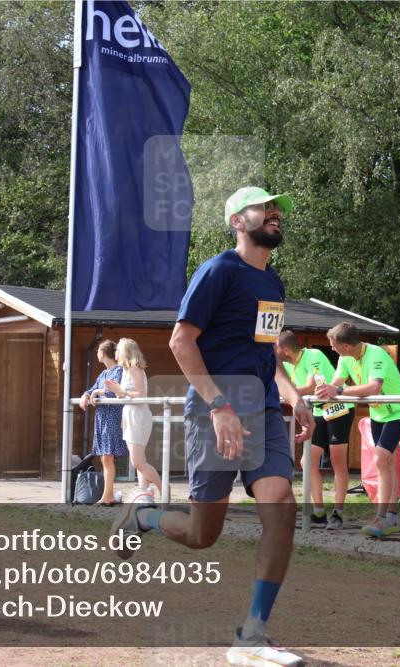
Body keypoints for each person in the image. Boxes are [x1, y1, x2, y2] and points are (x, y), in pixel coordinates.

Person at [112, 186, 314, 667]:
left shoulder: (273, 283)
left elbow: (268, 350)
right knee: (204, 535)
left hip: (261, 411)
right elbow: (182, 342)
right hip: (213, 412)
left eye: (277, 209)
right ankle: (144, 517)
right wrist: (219, 405)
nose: (274, 215)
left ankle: (253, 634)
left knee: (281, 508)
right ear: (236, 221)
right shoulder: (218, 271)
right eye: (264, 208)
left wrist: (293, 395)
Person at [315, 323, 400, 538]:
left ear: (347, 346)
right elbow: (336, 383)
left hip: (399, 411)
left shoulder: (376, 353)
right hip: (378, 414)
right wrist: (325, 391)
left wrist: (338, 390)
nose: (331, 349)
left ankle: (381, 518)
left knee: (380, 459)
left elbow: (372, 387)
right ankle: (393, 515)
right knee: (387, 461)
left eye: (333, 345)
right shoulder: (344, 358)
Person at [275, 330, 354, 529]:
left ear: (284, 350)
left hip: (338, 408)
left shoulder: (313, 355)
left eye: (276, 348)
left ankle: (338, 513)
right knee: (307, 461)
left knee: (337, 460)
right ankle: (319, 512)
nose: (274, 351)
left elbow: (311, 387)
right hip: (318, 410)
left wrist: (288, 392)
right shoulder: (284, 364)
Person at [104, 338, 160, 494]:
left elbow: (140, 394)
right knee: (139, 460)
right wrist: (117, 391)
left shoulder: (135, 368)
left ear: (125, 352)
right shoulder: (126, 370)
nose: (115, 352)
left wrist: (120, 391)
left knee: (137, 462)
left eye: (118, 350)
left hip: (138, 416)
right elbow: (124, 395)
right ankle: (144, 491)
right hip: (129, 414)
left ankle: (163, 488)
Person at [78, 339, 126, 505]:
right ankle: (108, 495)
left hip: (112, 417)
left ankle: (108, 496)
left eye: (98, 350)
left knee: (108, 456)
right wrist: (86, 395)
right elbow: (92, 389)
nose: (97, 353)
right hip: (102, 418)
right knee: (105, 457)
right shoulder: (103, 373)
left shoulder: (119, 371)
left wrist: (98, 391)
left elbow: (114, 392)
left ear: (103, 353)